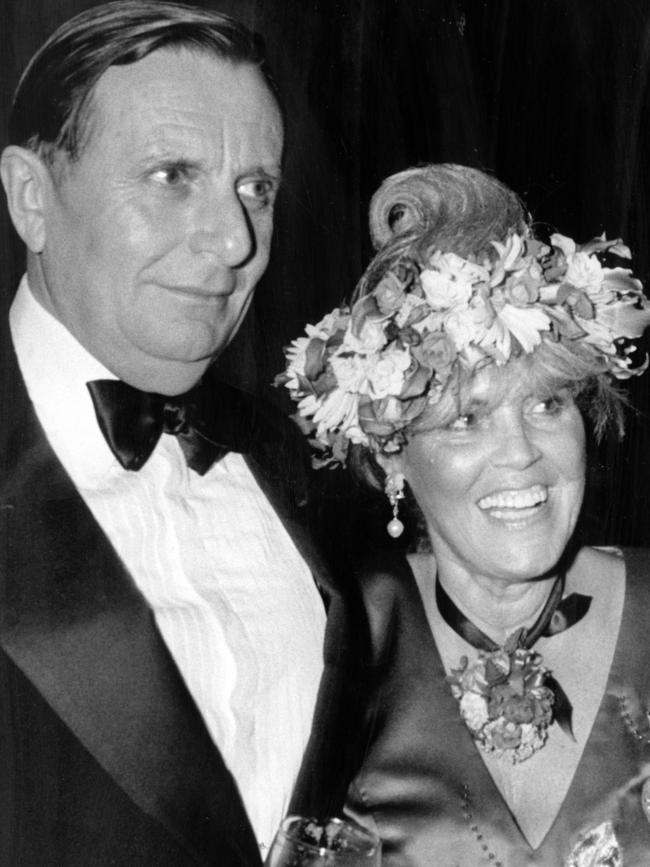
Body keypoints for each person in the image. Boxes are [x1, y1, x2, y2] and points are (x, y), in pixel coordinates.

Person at [0, 3, 332, 864]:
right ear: (33, 199)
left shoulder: (310, 457)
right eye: (172, 175)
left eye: (255, 187)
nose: (235, 240)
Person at [282, 164, 650, 865]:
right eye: (466, 419)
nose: (521, 454)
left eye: (547, 405)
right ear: (392, 454)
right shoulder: (332, 637)